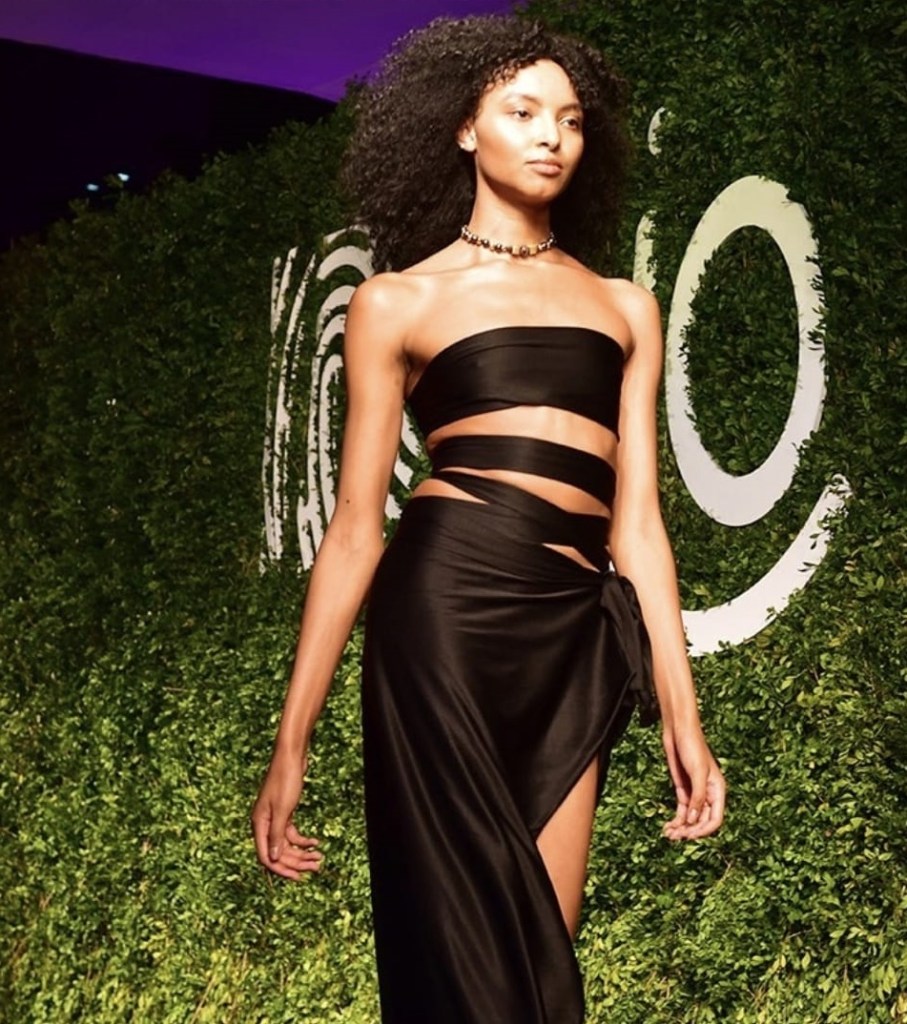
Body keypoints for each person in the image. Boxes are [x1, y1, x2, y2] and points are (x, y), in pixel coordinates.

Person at [251, 14, 725, 1023]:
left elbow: (638, 525)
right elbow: (353, 532)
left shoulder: (624, 307)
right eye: (521, 112)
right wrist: (292, 742)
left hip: (574, 634)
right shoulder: (396, 301)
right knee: (467, 966)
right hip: (446, 619)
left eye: (570, 119)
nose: (551, 134)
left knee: (541, 967)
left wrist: (683, 717)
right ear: (465, 129)